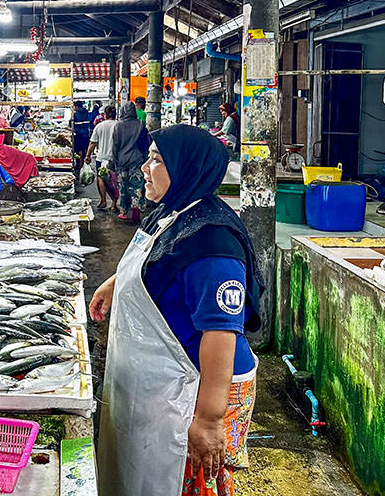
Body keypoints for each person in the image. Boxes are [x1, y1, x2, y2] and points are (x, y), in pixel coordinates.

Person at [91, 125, 261, 496]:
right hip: (167, 376)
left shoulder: (212, 242)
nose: (143, 168)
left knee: (192, 480)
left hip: (202, 385)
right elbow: (155, 260)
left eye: (156, 160)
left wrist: (209, 420)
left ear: (186, 167)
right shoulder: (174, 210)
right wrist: (115, 283)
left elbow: (221, 334)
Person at [112, 103, 149, 223]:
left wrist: (115, 160)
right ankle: (136, 211)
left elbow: (115, 145)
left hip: (122, 161)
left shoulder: (118, 126)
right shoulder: (140, 124)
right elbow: (145, 144)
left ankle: (124, 212)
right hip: (137, 160)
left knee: (123, 187)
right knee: (136, 186)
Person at [85, 105, 120, 210]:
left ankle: (103, 201)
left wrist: (88, 156)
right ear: (115, 115)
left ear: (105, 115)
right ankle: (114, 204)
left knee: (101, 178)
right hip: (115, 158)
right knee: (114, 181)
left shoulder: (100, 126)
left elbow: (93, 143)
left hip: (101, 157)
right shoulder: (119, 125)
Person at [73, 101, 92, 172]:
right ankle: (84, 163)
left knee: (78, 151)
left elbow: (72, 125)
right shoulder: (87, 113)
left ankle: (79, 165)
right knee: (85, 150)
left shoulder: (76, 114)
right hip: (86, 135)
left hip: (79, 135)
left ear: (77, 107)